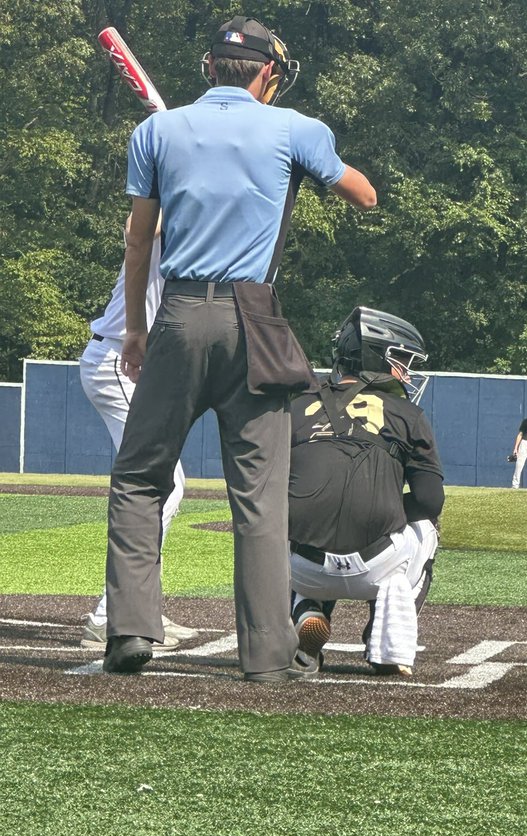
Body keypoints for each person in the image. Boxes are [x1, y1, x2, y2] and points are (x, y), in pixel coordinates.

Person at [103, 16, 376, 684]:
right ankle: (267, 657)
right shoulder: (294, 130)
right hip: (256, 320)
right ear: (267, 73)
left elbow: (141, 241)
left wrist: (136, 329)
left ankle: (132, 631)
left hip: (179, 314)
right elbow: (364, 196)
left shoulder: (156, 133)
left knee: (140, 477)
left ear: (209, 68)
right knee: (258, 498)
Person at [288, 306, 444, 678]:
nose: (406, 370)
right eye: (401, 359)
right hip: (376, 564)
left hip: (298, 566)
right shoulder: (408, 415)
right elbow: (429, 500)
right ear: (375, 356)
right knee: (428, 526)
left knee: (286, 517)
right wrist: (385, 506)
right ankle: (387, 641)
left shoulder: (294, 407)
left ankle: (305, 611)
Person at [78, 219, 197, 650]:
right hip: (116, 360)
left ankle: (140, 607)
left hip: (135, 366)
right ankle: (112, 614)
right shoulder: (170, 215)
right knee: (161, 484)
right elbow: (135, 225)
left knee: (164, 486)